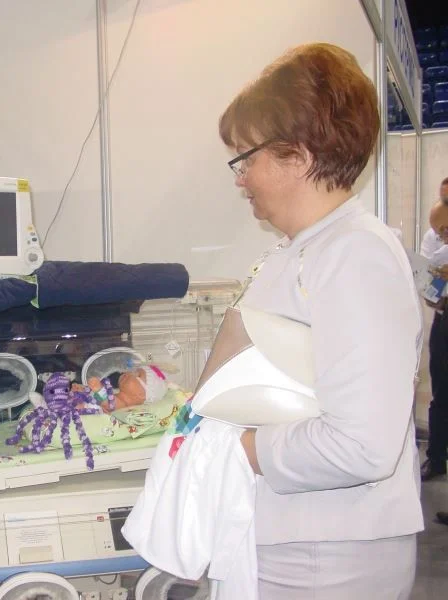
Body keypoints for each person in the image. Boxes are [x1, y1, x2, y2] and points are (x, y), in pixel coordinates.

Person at [220, 43, 422, 597]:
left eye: (246, 159)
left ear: (299, 155)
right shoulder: (308, 249)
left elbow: (361, 445)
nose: (240, 178)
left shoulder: (355, 255)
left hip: (327, 556)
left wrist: (235, 450)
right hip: (300, 537)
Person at [420, 182, 448, 480]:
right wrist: (440, 282)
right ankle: (436, 458)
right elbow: (430, 296)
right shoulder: (436, 246)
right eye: (439, 232)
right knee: (441, 394)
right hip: (444, 323)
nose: (441, 236)